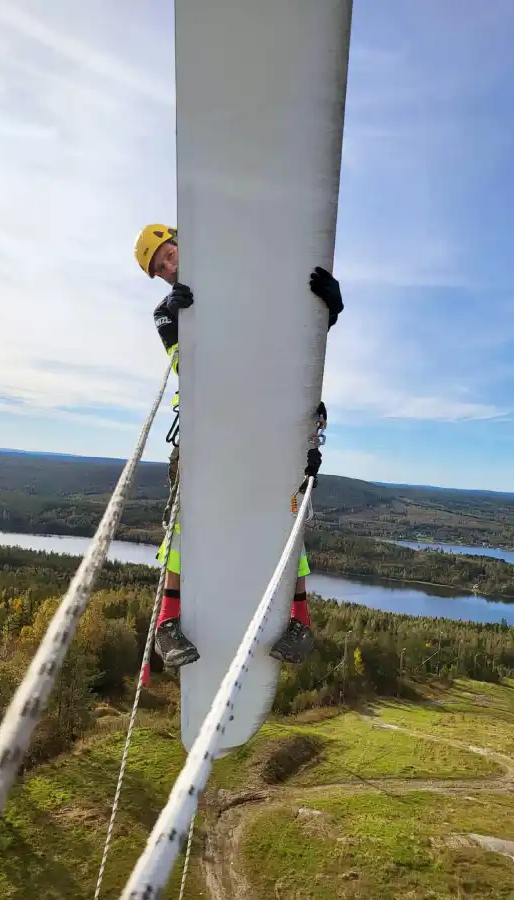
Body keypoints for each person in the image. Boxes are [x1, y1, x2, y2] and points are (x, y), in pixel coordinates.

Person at [134, 224, 344, 668]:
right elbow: (186, 366)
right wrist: (181, 320)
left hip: (268, 421)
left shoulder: (241, 285)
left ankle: (299, 620)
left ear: (181, 242)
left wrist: (326, 312)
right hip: (211, 426)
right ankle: (167, 623)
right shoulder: (165, 312)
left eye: (170, 254)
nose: (170, 266)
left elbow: (279, 338)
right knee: (187, 517)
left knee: (286, 513)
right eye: (161, 267)